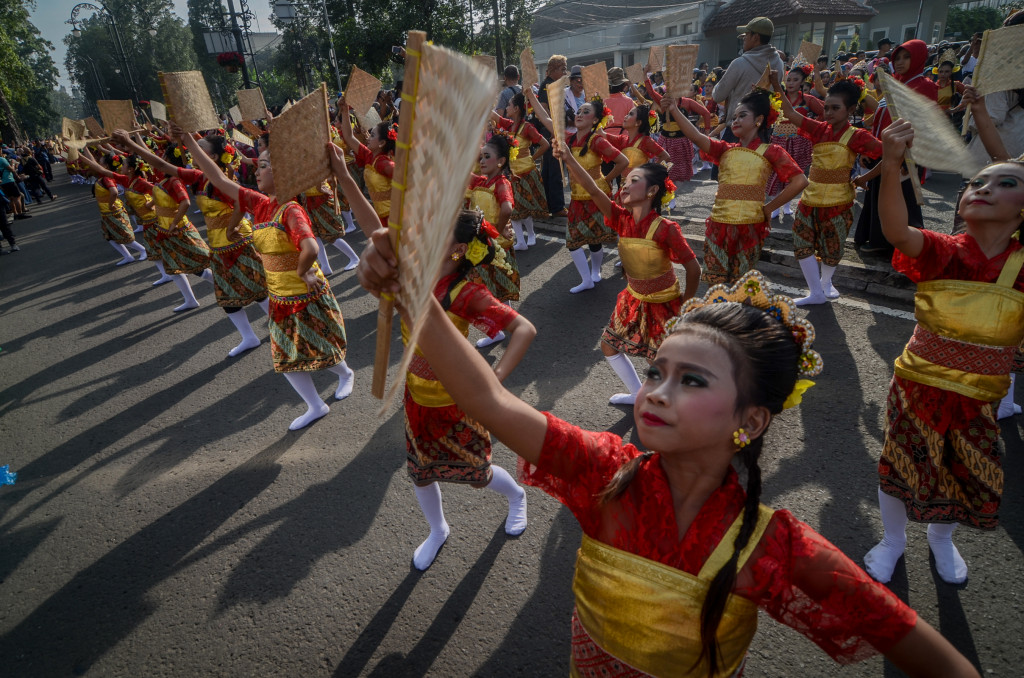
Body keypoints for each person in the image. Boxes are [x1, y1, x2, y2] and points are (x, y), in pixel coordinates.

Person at [357, 238, 980, 677]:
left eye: (693, 380)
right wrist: (413, 294)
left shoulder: (770, 546)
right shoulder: (605, 470)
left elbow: (929, 655)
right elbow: (489, 402)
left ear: (751, 420)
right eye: (656, 371)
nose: (654, 391)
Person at [863, 119, 1024, 588]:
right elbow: (897, 231)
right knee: (900, 460)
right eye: (976, 182)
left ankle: (940, 537)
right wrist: (890, 166)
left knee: (959, 468)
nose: (982, 188)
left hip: (980, 398)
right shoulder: (945, 251)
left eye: (1005, 183)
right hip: (918, 387)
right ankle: (892, 541)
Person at [389, 209, 536, 571]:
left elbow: (524, 330)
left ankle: (517, 495)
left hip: (456, 400)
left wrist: (494, 378)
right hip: (415, 397)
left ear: (456, 249)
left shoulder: (464, 292)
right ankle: (437, 530)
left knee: (477, 474)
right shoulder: (413, 273)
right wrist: (344, 175)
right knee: (420, 471)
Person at [181, 128, 356, 430]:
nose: (256, 171)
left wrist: (302, 271)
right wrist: (186, 143)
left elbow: (311, 247)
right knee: (286, 356)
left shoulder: (291, 209)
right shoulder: (260, 203)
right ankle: (316, 405)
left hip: (304, 294)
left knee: (320, 349)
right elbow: (219, 179)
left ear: (284, 173)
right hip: (278, 296)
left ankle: (345, 373)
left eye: (264, 166)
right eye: (258, 165)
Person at [558, 144, 700, 405]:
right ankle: (637, 394)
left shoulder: (666, 228)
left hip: (664, 303)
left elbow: (693, 267)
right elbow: (591, 188)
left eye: (633, 181)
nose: (624, 185)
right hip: (632, 297)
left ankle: (676, 404)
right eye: (624, 181)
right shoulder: (620, 217)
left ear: (652, 191)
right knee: (608, 346)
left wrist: (686, 305)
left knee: (658, 359)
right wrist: (568, 158)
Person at [664, 91, 807, 284]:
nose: (736, 121)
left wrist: (769, 208)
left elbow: (800, 181)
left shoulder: (771, 151)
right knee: (715, 285)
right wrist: (674, 110)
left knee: (741, 286)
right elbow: (697, 137)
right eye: (734, 117)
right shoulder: (725, 149)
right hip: (719, 224)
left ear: (759, 119)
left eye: (742, 116)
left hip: (749, 226)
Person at [773, 75, 883, 305]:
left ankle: (825, 283)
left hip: (839, 201)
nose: (829, 113)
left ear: (851, 109)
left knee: (832, 247)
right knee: (801, 242)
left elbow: (890, 154)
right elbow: (791, 114)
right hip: (810, 198)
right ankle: (815, 292)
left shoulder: (858, 136)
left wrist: (865, 177)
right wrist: (776, 85)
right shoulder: (819, 129)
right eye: (826, 108)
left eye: (835, 108)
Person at [527, 87, 629, 293]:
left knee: (595, 239)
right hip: (576, 197)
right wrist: (530, 95)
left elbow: (623, 161)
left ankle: (596, 272)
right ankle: (587, 279)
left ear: (595, 120)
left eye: (585, 112)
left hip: (596, 196)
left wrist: (606, 180)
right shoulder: (569, 138)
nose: (579, 114)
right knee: (573, 241)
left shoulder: (597, 140)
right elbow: (547, 119)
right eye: (579, 111)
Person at [854, 39, 937, 255]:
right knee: (879, 196)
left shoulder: (926, 87)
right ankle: (878, 239)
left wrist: (908, 157)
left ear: (919, 58)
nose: (899, 62)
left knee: (901, 201)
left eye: (906, 57)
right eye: (897, 57)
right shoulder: (895, 85)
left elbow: (924, 127)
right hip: (882, 152)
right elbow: (881, 119)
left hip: (904, 156)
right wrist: (868, 150)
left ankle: (901, 246)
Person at [464, 132, 520, 348]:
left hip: (494, 247)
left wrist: (496, 230)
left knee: (482, 292)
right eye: (481, 157)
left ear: (501, 161)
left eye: (487, 157)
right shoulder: (483, 181)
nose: (482, 161)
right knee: (490, 291)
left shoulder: (501, 183)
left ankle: (498, 330)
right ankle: (500, 329)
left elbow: (507, 207)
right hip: (483, 245)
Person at [712, 17, 786, 139]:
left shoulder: (739, 63)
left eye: (746, 34)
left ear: (756, 37)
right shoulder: (779, 63)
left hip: (738, 130)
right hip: (763, 130)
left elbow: (717, 96)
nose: (744, 38)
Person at [492, 93, 549, 250]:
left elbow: (545, 144)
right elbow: (493, 116)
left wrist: (532, 158)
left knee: (525, 209)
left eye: (509, 105)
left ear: (516, 108)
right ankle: (521, 241)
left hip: (526, 172)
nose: (507, 108)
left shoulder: (527, 127)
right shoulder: (509, 125)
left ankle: (530, 234)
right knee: (515, 209)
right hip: (511, 174)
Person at [765, 65, 823, 219]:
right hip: (778, 139)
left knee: (794, 173)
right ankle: (775, 205)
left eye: (795, 80)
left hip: (799, 142)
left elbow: (824, 113)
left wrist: (812, 127)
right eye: (788, 79)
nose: (791, 83)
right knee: (776, 172)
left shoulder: (808, 99)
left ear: (803, 82)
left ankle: (787, 204)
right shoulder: (776, 97)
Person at [79, 148, 149, 266]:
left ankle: (142, 249)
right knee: (110, 236)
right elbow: (91, 161)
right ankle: (127, 256)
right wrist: (83, 148)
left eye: (100, 163)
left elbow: (114, 192)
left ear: (105, 166)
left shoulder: (106, 178)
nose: (96, 164)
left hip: (113, 211)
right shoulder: (103, 174)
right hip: (106, 212)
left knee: (124, 235)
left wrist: (110, 204)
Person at [537, 55, 570, 218]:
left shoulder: (555, 85)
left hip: (553, 130)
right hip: (550, 131)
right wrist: (554, 128)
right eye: (563, 69)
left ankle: (546, 204)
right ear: (554, 69)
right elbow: (543, 109)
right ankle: (556, 206)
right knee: (555, 170)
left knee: (549, 170)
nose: (565, 72)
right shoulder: (547, 86)